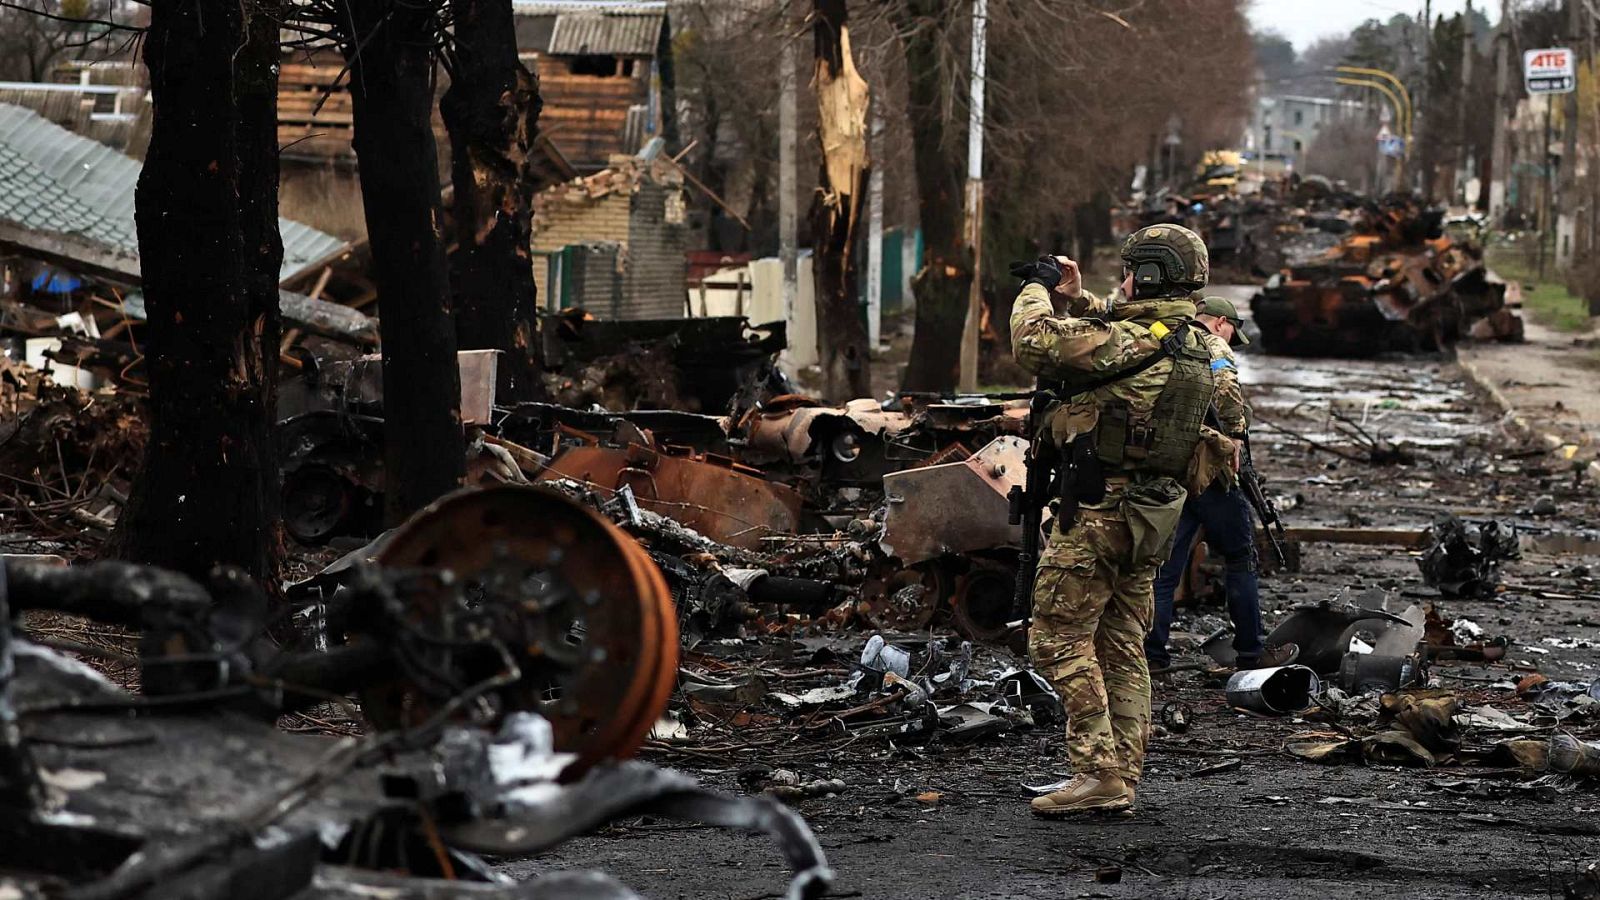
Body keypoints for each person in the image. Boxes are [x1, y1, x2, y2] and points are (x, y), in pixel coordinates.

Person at [1009, 224, 1235, 818]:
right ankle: (1121, 774)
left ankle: (1095, 771)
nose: (1125, 281)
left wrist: (1039, 290)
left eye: (1132, 270)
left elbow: (1035, 344)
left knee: (1056, 636)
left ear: (1151, 273)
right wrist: (1081, 297)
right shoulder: (1204, 344)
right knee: (1120, 642)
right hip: (1154, 515)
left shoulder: (1131, 338)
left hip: (1097, 511)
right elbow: (1126, 338)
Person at [1143, 295, 1298, 673]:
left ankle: (1152, 655)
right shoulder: (1211, 345)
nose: (1230, 342)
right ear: (1219, 323)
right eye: (1231, 334)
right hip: (1212, 472)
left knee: (1165, 568)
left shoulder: (1164, 340)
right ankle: (1251, 651)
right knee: (1240, 559)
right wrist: (1237, 439)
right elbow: (1227, 391)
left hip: (1168, 469)